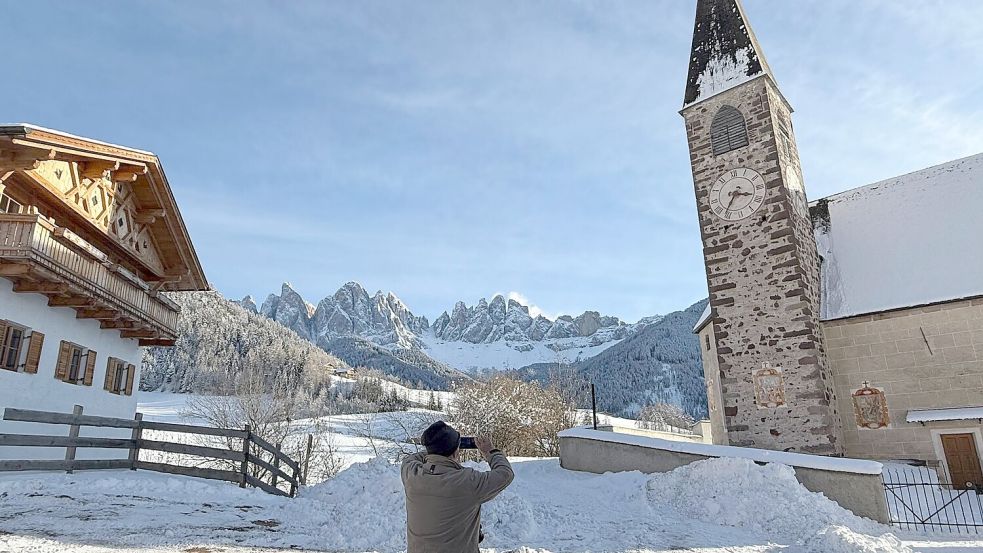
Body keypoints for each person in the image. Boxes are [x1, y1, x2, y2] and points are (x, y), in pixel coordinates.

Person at [400, 421, 514, 553]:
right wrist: (490, 452)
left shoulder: (411, 474)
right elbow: (505, 474)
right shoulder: (467, 482)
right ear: (456, 453)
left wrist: (435, 448)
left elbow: (411, 458)